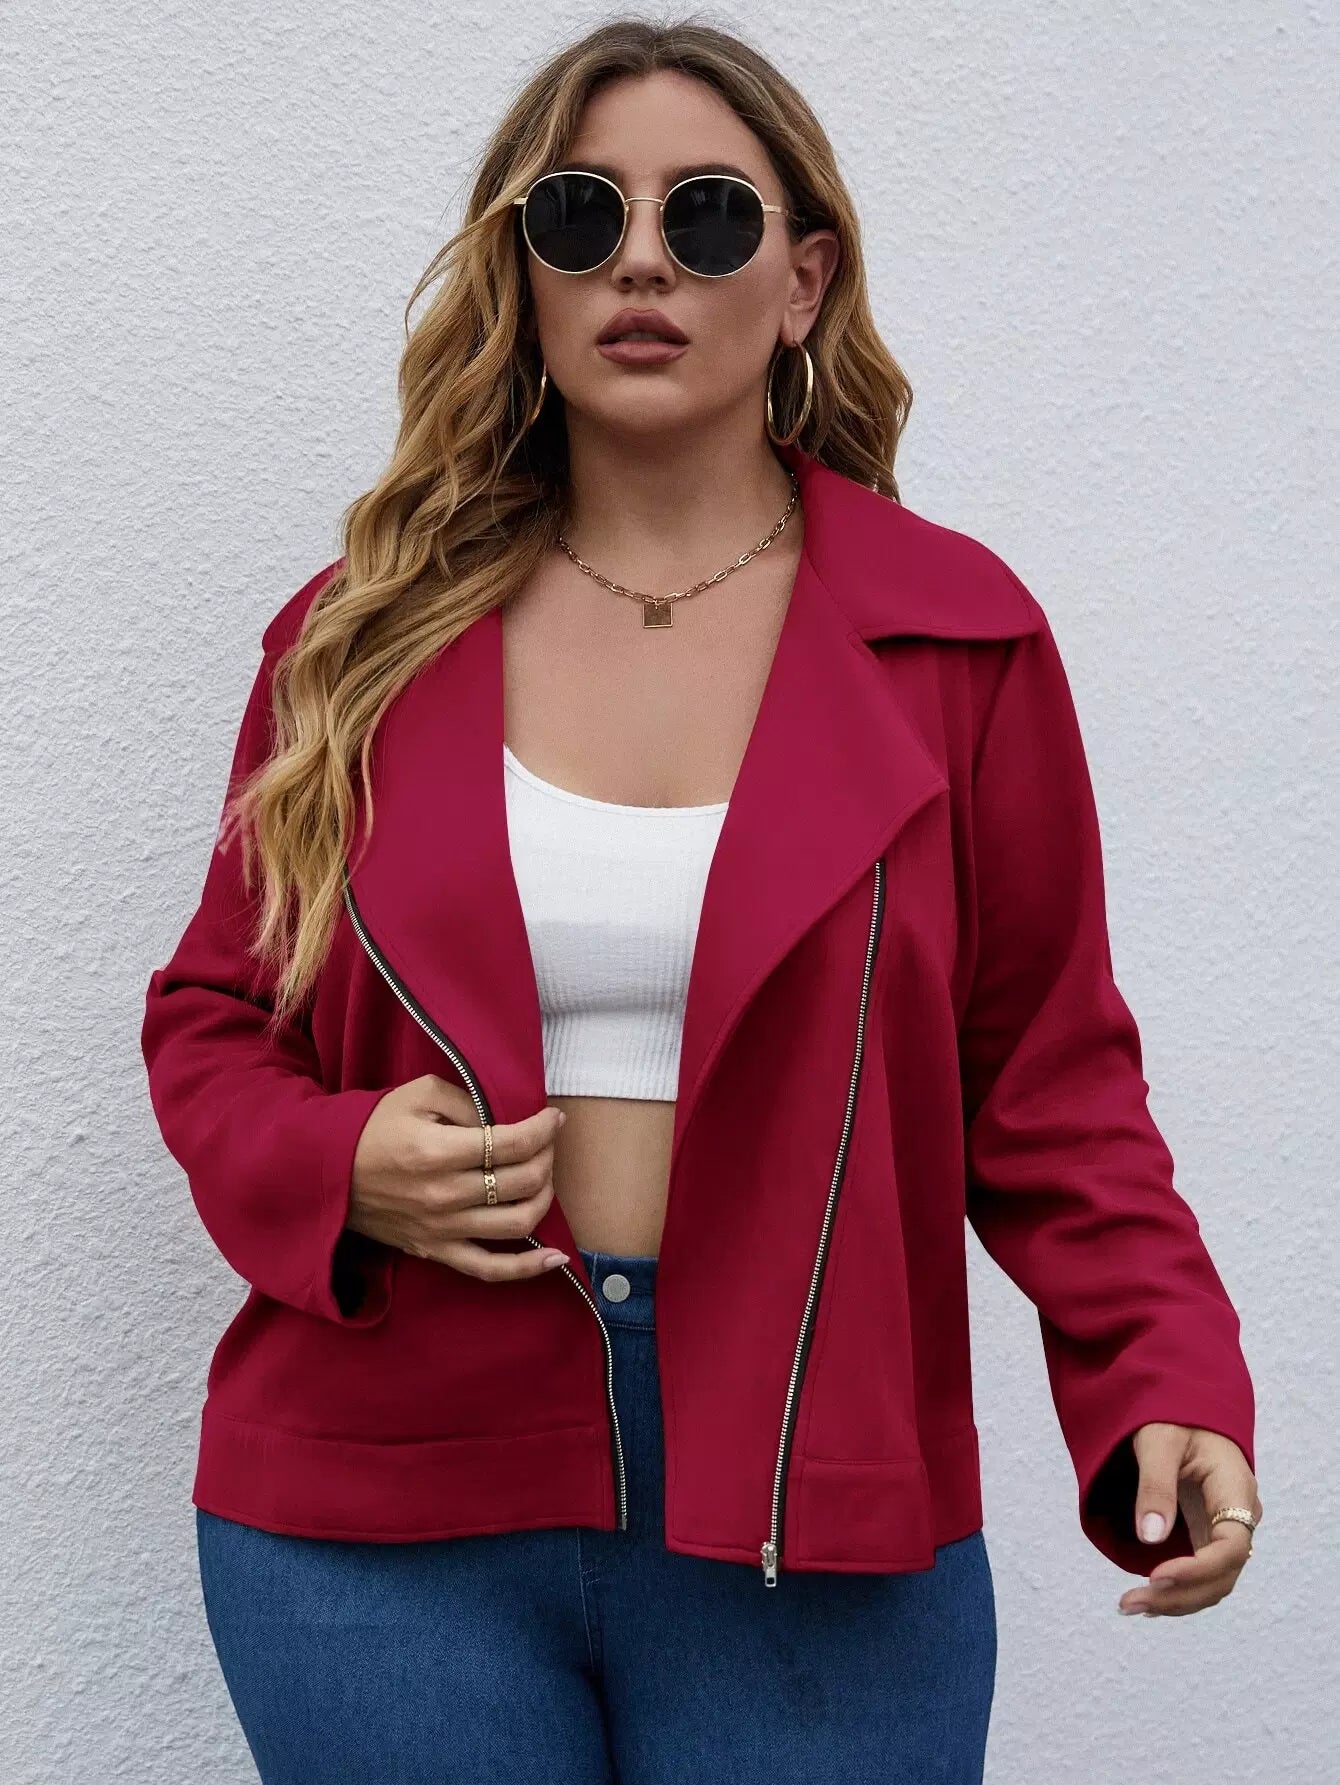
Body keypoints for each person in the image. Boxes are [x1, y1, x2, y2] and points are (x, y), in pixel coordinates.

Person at [140, 18, 1261, 1785]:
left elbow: (1054, 1085)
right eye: (581, 214)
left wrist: (1164, 1375)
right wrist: (339, 1162)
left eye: (710, 214)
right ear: (526, 270)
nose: (643, 259)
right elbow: (212, 1018)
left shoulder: (956, 644)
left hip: (822, 1515)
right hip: (384, 1516)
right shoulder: (358, 638)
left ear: (804, 278)